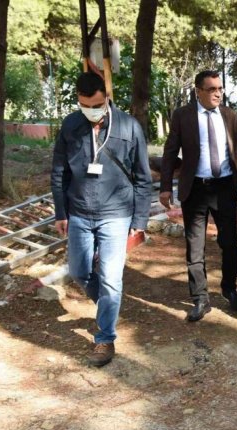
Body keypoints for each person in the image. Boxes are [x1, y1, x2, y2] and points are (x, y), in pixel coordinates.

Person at [51, 72, 152, 367]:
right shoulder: (70, 125)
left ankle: (105, 337)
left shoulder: (129, 126)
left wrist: (140, 219)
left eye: (96, 105)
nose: (91, 111)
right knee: (79, 271)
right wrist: (61, 212)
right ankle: (109, 303)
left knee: (110, 277)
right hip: (79, 211)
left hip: (116, 214)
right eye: (84, 105)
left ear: (106, 97)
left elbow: (143, 177)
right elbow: (59, 172)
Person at [160, 70, 237, 322]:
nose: (218, 93)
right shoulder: (183, 116)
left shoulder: (229, 115)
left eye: (220, 88)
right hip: (195, 188)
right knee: (195, 246)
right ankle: (200, 298)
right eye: (211, 89)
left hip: (224, 187)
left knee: (230, 243)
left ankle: (229, 288)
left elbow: (235, 149)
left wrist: (234, 182)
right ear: (198, 91)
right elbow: (170, 152)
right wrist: (165, 186)